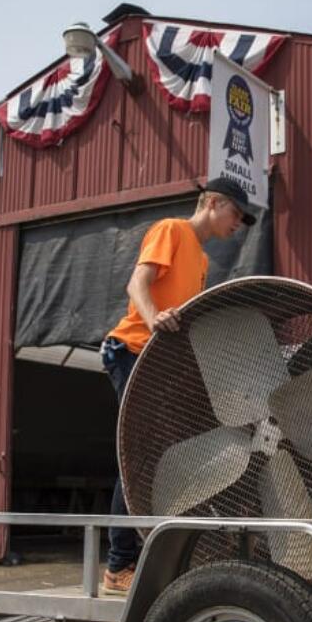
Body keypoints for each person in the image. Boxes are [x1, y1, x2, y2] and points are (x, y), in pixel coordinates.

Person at [100, 176, 257, 595]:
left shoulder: (202, 261)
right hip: (131, 349)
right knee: (136, 454)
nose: (238, 224)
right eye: (236, 214)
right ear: (214, 202)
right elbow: (137, 283)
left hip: (158, 360)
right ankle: (118, 566)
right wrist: (153, 319)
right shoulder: (172, 230)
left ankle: (156, 552)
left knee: (161, 454)